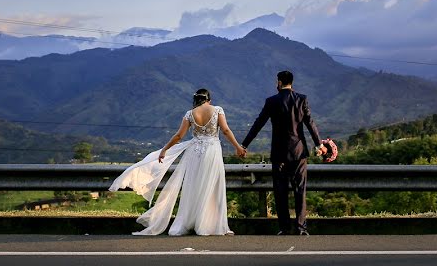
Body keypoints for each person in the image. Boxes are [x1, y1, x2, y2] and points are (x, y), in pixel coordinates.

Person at [109, 88, 246, 235]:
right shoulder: (217, 110)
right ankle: (211, 225)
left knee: (193, 186)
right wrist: (238, 147)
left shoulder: (190, 114)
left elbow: (179, 135)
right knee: (213, 186)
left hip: (194, 153)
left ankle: (192, 222)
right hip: (212, 151)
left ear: (196, 100)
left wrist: (164, 150)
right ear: (209, 100)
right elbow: (225, 130)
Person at [240, 70, 326, 235]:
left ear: (279, 82)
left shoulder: (272, 101)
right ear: (291, 82)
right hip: (299, 153)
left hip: (279, 153)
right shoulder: (301, 99)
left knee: (280, 191)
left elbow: (258, 124)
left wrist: (244, 145)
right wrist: (318, 144)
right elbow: (310, 124)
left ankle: (284, 228)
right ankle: (301, 228)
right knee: (300, 190)